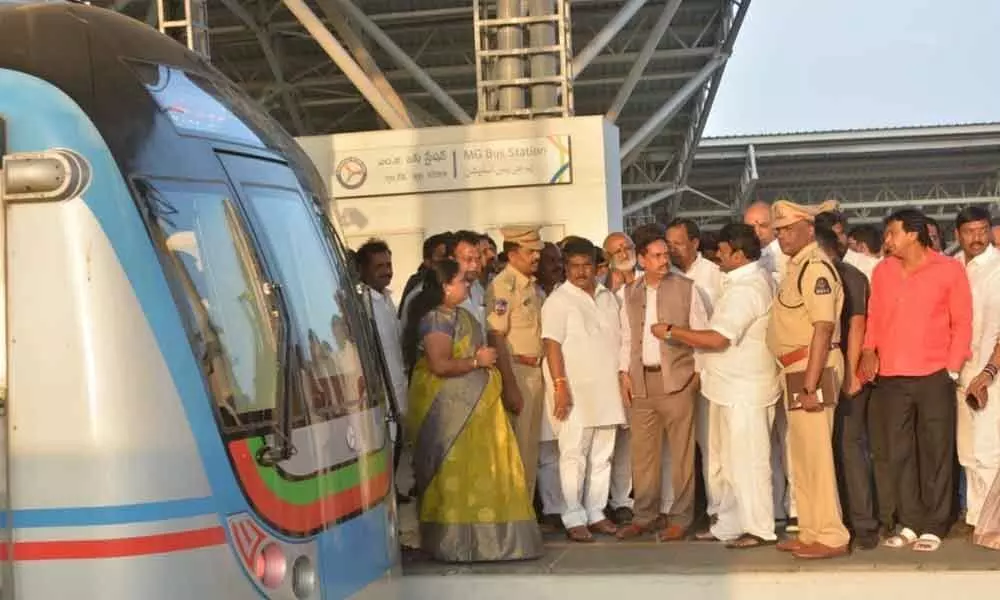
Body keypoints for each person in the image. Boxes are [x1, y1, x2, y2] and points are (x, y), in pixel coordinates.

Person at [403, 259, 543, 562]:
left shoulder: (462, 315)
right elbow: (439, 364)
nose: (468, 285)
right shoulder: (435, 319)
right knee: (457, 474)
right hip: (451, 411)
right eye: (463, 281)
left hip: (477, 410)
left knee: (485, 471)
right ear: (445, 285)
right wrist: (476, 363)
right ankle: (457, 544)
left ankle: (490, 543)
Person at [860, 208, 972, 552]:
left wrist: (952, 368)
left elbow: (962, 322)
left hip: (935, 374)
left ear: (913, 234)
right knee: (899, 452)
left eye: (892, 233)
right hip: (891, 376)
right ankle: (909, 521)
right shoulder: (882, 272)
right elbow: (875, 316)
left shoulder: (948, 270)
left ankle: (936, 524)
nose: (887, 240)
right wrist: (868, 350)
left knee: (936, 450)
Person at [666, 223, 780, 549]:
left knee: (749, 462)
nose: (718, 256)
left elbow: (717, 338)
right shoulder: (744, 281)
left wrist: (673, 331)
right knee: (729, 463)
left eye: (724, 251)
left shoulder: (748, 289)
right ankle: (729, 524)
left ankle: (759, 528)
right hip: (729, 388)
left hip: (745, 390)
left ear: (740, 254)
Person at [766, 198, 851, 559]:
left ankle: (831, 535)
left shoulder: (815, 268)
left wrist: (811, 385)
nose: (782, 236)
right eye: (778, 230)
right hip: (797, 368)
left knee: (816, 455)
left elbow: (823, 328)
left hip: (811, 368)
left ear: (807, 228)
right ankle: (812, 530)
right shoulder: (795, 267)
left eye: (787, 229)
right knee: (802, 456)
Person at [615, 223, 710, 542]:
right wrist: (624, 374)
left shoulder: (687, 287)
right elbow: (626, 336)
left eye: (664, 254)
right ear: (641, 259)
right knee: (642, 455)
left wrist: (695, 377)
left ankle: (681, 518)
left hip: (678, 381)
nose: (662, 260)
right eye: (655, 256)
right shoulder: (629, 292)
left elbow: (700, 331)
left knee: (682, 455)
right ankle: (645, 516)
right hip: (642, 381)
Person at [542, 238, 625, 542]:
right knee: (573, 455)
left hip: (607, 388)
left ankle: (596, 512)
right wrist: (560, 386)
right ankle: (573, 515)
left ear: (596, 266)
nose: (580, 272)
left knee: (603, 456)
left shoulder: (608, 297)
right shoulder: (558, 300)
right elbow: (551, 345)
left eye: (586, 265)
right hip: (575, 390)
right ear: (565, 268)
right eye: (573, 266)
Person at [814, 227, 879, 550]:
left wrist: (852, 373)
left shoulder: (848, 276)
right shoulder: (815, 274)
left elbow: (857, 325)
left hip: (842, 367)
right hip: (819, 367)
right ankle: (834, 520)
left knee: (850, 446)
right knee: (826, 447)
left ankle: (863, 523)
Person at [745, 200, 796, 530]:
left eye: (763, 225)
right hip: (756, 366)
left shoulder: (789, 257)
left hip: (789, 360)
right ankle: (773, 506)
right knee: (764, 442)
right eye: (750, 226)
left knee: (791, 437)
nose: (757, 232)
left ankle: (797, 507)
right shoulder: (741, 263)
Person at [486, 226, 545, 501]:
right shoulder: (502, 286)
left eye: (537, 251)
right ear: (512, 254)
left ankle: (527, 513)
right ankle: (517, 513)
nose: (536, 256)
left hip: (536, 371)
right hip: (518, 372)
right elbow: (497, 336)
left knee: (531, 449)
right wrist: (510, 385)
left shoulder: (532, 285)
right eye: (530, 251)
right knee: (518, 450)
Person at [952, 207, 1000, 536]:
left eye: (982, 230)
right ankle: (975, 518)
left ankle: (992, 521)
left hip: (990, 373)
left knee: (988, 449)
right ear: (958, 234)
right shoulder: (952, 266)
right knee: (966, 451)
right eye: (970, 231)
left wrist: (989, 372)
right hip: (958, 371)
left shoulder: (997, 268)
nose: (977, 237)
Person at [355, 238, 411, 503]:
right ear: (363, 270)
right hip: (380, 392)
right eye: (379, 266)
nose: (386, 271)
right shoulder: (362, 304)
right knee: (383, 451)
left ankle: (392, 495)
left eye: (388, 264)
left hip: (398, 387)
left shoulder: (387, 300)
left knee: (396, 447)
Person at [601, 231, 640, 525]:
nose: (624, 252)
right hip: (612, 373)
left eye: (627, 247)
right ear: (608, 259)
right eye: (616, 250)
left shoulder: (651, 280)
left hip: (646, 370)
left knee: (633, 441)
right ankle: (608, 501)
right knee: (610, 441)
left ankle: (625, 499)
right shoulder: (603, 293)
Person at [816, 210, 879, 282]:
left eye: (842, 233)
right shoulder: (813, 266)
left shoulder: (864, 265)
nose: (841, 239)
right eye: (834, 236)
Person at [400, 232, 453, 316]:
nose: (449, 261)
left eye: (452, 256)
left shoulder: (459, 289)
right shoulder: (418, 294)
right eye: (443, 256)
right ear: (428, 262)